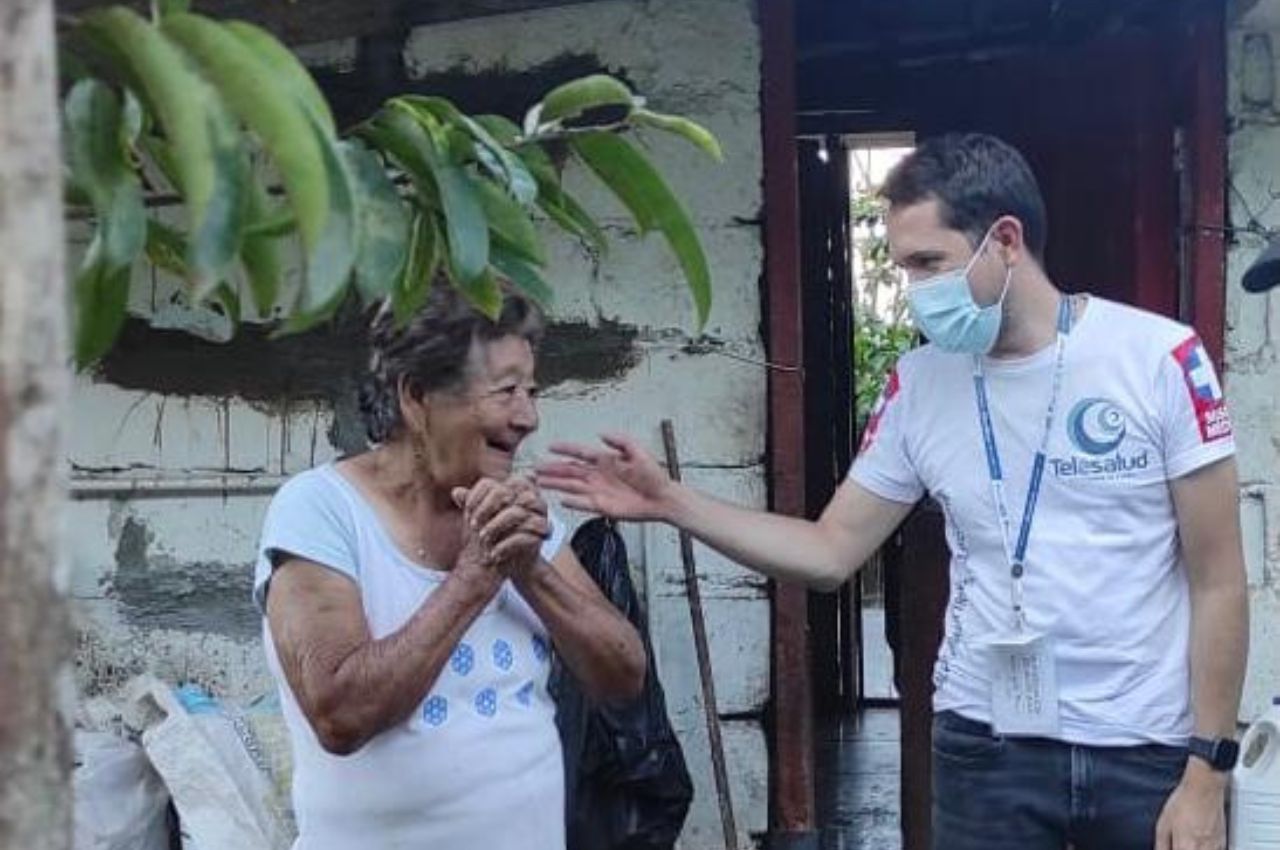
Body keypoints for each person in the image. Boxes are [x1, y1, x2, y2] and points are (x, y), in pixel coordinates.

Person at [538, 133, 1249, 850]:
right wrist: (671, 502)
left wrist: (1207, 772)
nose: (915, 291)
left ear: (1005, 241)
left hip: (1146, 749)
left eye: (928, 264)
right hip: (986, 747)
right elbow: (828, 550)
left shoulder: (1160, 359)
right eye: (905, 268)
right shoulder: (920, 386)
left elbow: (1218, 581)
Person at [253, 282, 647, 850]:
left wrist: (528, 566)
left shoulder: (515, 515)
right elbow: (339, 715)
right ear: (416, 397)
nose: (529, 417)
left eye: (532, 391)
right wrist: (475, 576)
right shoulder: (319, 510)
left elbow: (623, 677)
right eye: (507, 390)